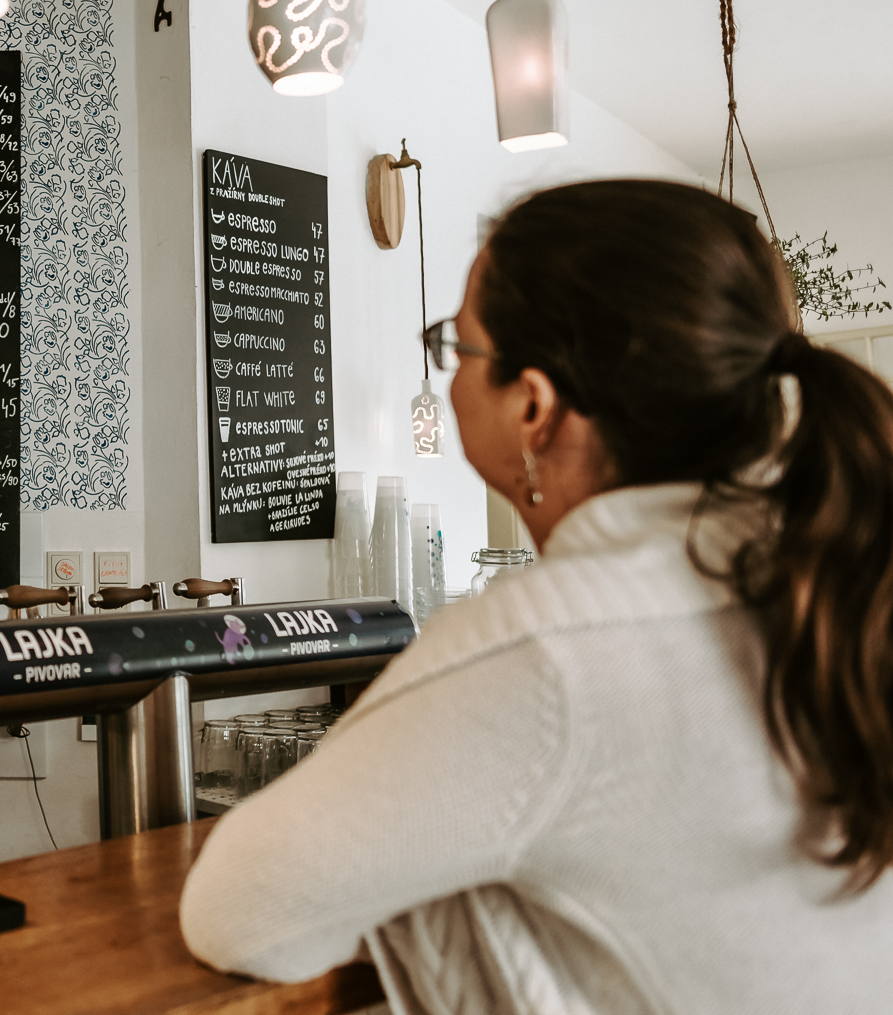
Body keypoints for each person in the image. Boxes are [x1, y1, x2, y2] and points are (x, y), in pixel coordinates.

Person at [180, 180, 893, 1013]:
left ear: (533, 404)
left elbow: (239, 912)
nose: (449, 377)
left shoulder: (546, 652)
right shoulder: (829, 572)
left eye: (459, 348)